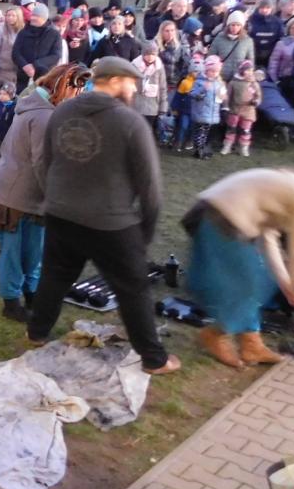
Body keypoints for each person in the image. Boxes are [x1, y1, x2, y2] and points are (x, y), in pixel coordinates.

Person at [25, 57, 179, 374]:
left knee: (55, 276)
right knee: (133, 288)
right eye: (130, 83)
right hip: (110, 222)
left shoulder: (63, 110)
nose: (134, 89)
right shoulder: (130, 122)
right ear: (114, 81)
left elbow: (45, 162)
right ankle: (154, 359)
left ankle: (36, 333)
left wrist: (54, 198)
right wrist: (145, 234)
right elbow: (149, 185)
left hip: (61, 213)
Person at [183, 154, 294, 367]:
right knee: (252, 285)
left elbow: (269, 237)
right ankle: (214, 335)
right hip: (220, 218)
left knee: (260, 281)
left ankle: (251, 345)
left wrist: (287, 284)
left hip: (214, 214)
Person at [0, 63, 91, 321]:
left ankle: (33, 295)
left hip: (31, 197)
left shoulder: (43, 110)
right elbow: (42, 162)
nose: (78, 97)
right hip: (14, 196)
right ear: (64, 87)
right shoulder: (43, 116)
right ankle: (11, 303)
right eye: (76, 91)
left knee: (33, 251)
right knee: (12, 253)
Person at [12, 3, 62, 85]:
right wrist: (25, 66)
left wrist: (35, 65)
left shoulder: (54, 34)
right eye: (32, 15)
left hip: (44, 77)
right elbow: (15, 52)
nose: (32, 18)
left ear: (44, 18)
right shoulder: (24, 32)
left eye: (36, 16)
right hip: (23, 76)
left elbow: (56, 55)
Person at [189, 54, 227, 158]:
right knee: (200, 133)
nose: (214, 73)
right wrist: (203, 89)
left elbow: (221, 97)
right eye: (212, 71)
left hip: (212, 113)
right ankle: (199, 150)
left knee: (208, 133)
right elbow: (192, 94)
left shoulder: (219, 83)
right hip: (201, 112)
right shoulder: (199, 82)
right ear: (206, 70)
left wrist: (223, 97)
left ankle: (204, 149)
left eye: (217, 71)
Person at [221, 59, 262, 157]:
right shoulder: (233, 83)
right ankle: (227, 145)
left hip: (248, 110)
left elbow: (258, 95)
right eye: (247, 70)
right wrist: (226, 106)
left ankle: (244, 147)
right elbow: (228, 95)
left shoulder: (253, 83)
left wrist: (256, 101)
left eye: (251, 70)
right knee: (231, 128)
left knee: (246, 130)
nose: (249, 72)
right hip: (234, 109)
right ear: (241, 71)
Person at [208, 10, 255, 80]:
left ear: (242, 26)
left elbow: (250, 61)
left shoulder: (247, 40)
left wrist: (247, 75)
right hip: (220, 78)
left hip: (239, 79)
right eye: (233, 25)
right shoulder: (219, 38)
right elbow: (211, 57)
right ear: (228, 25)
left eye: (238, 25)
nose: (235, 28)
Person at [0, 7, 25, 93]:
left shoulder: (23, 31)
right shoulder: (0, 30)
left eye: (13, 15)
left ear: (19, 17)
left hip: (19, 71)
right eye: (8, 15)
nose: (10, 18)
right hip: (4, 70)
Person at [132, 41, 166, 131]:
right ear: (143, 54)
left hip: (152, 106)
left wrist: (163, 107)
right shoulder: (134, 65)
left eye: (153, 54)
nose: (150, 57)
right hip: (136, 105)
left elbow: (162, 87)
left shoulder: (159, 67)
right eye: (147, 54)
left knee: (148, 130)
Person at [248, 0, 284, 68]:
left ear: (271, 9)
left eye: (267, 8)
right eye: (262, 7)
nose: (264, 10)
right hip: (254, 54)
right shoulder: (251, 20)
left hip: (271, 55)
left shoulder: (277, 22)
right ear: (258, 8)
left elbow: (280, 38)